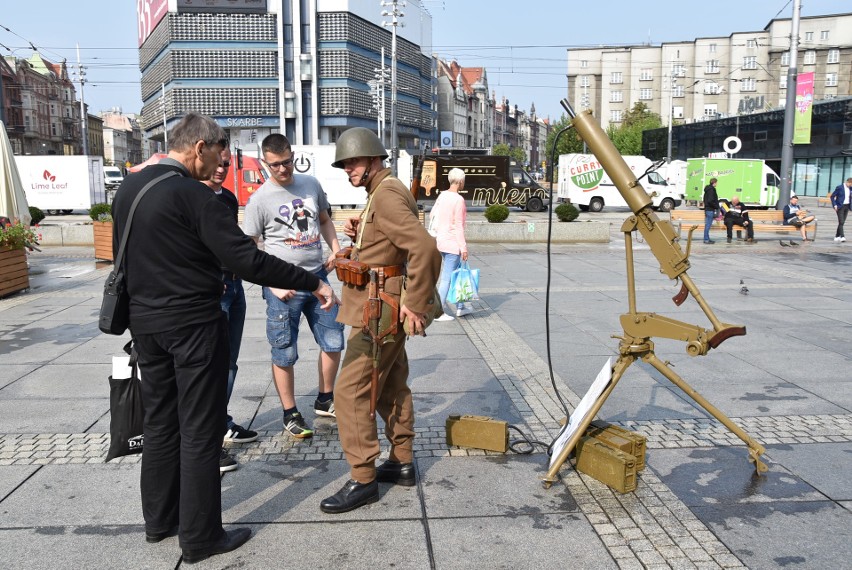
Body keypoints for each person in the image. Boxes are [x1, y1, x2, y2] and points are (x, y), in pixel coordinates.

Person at [112, 113, 338, 563]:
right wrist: (313, 282)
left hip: (146, 326)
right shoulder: (192, 195)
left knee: (160, 422)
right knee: (199, 429)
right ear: (200, 147)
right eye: (219, 154)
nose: (221, 165)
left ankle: (159, 522)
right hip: (192, 326)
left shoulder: (130, 189)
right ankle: (201, 538)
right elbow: (246, 259)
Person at [320, 127, 441, 514]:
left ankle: (363, 478)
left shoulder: (385, 194)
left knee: (349, 392)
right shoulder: (383, 191)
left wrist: (417, 305)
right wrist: (362, 239)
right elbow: (391, 243)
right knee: (390, 385)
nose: (348, 169)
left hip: (380, 312)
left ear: (373, 159)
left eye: (353, 161)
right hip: (380, 306)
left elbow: (424, 247)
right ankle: (401, 461)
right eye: (345, 164)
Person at [243, 133, 344, 439]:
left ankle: (325, 398)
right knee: (284, 351)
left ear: (292, 156)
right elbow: (249, 250)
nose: (283, 169)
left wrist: (336, 250)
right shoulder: (259, 200)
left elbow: (324, 220)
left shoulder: (310, 184)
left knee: (334, 339)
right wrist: (270, 284)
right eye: (275, 165)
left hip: (318, 278)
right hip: (282, 286)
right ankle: (290, 413)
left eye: (286, 162)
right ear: (265, 162)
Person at [202, 147, 256, 474]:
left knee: (230, 363)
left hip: (235, 287)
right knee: (212, 366)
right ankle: (210, 443)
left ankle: (221, 423)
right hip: (214, 289)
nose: (222, 169)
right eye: (217, 163)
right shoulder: (194, 197)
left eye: (226, 164)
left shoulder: (229, 198)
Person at [432, 168, 471, 321]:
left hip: (440, 241)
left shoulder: (442, 195)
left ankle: (461, 307)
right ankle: (439, 312)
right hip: (453, 244)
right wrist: (464, 248)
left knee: (457, 274)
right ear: (460, 182)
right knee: (448, 277)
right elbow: (459, 225)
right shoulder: (458, 200)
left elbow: (434, 215)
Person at [830, 177, 852, 242]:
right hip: (840, 207)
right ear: (847, 182)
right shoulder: (840, 187)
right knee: (841, 221)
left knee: (842, 222)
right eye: (850, 184)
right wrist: (835, 205)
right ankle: (842, 236)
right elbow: (832, 196)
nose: (851, 186)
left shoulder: (850, 188)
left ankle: (837, 236)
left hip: (847, 206)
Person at [703, 177, 719, 244]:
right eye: (716, 183)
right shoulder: (711, 190)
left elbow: (705, 200)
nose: (717, 184)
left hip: (707, 209)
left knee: (708, 225)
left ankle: (707, 238)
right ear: (714, 182)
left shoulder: (707, 189)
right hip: (710, 209)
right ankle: (706, 239)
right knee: (708, 225)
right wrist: (716, 206)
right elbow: (710, 200)